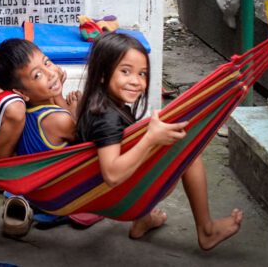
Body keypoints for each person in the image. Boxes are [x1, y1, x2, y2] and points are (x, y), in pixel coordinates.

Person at [75, 32, 243, 250]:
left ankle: (142, 221)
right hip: (121, 195)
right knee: (188, 151)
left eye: (142, 74)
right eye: (125, 71)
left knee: (171, 135)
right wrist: (150, 139)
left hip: (109, 192)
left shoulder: (99, 104)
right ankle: (207, 229)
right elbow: (113, 175)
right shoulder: (107, 117)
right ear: (102, 74)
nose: (136, 81)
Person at [0, 38, 102, 236]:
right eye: (38, 74)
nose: (51, 73)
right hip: (56, 194)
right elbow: (86, 144)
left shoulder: (24, 110)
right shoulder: (59, 119)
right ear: (22, 92)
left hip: (33, 189)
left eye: (47, 62)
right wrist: (74, 110)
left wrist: (57, 94)